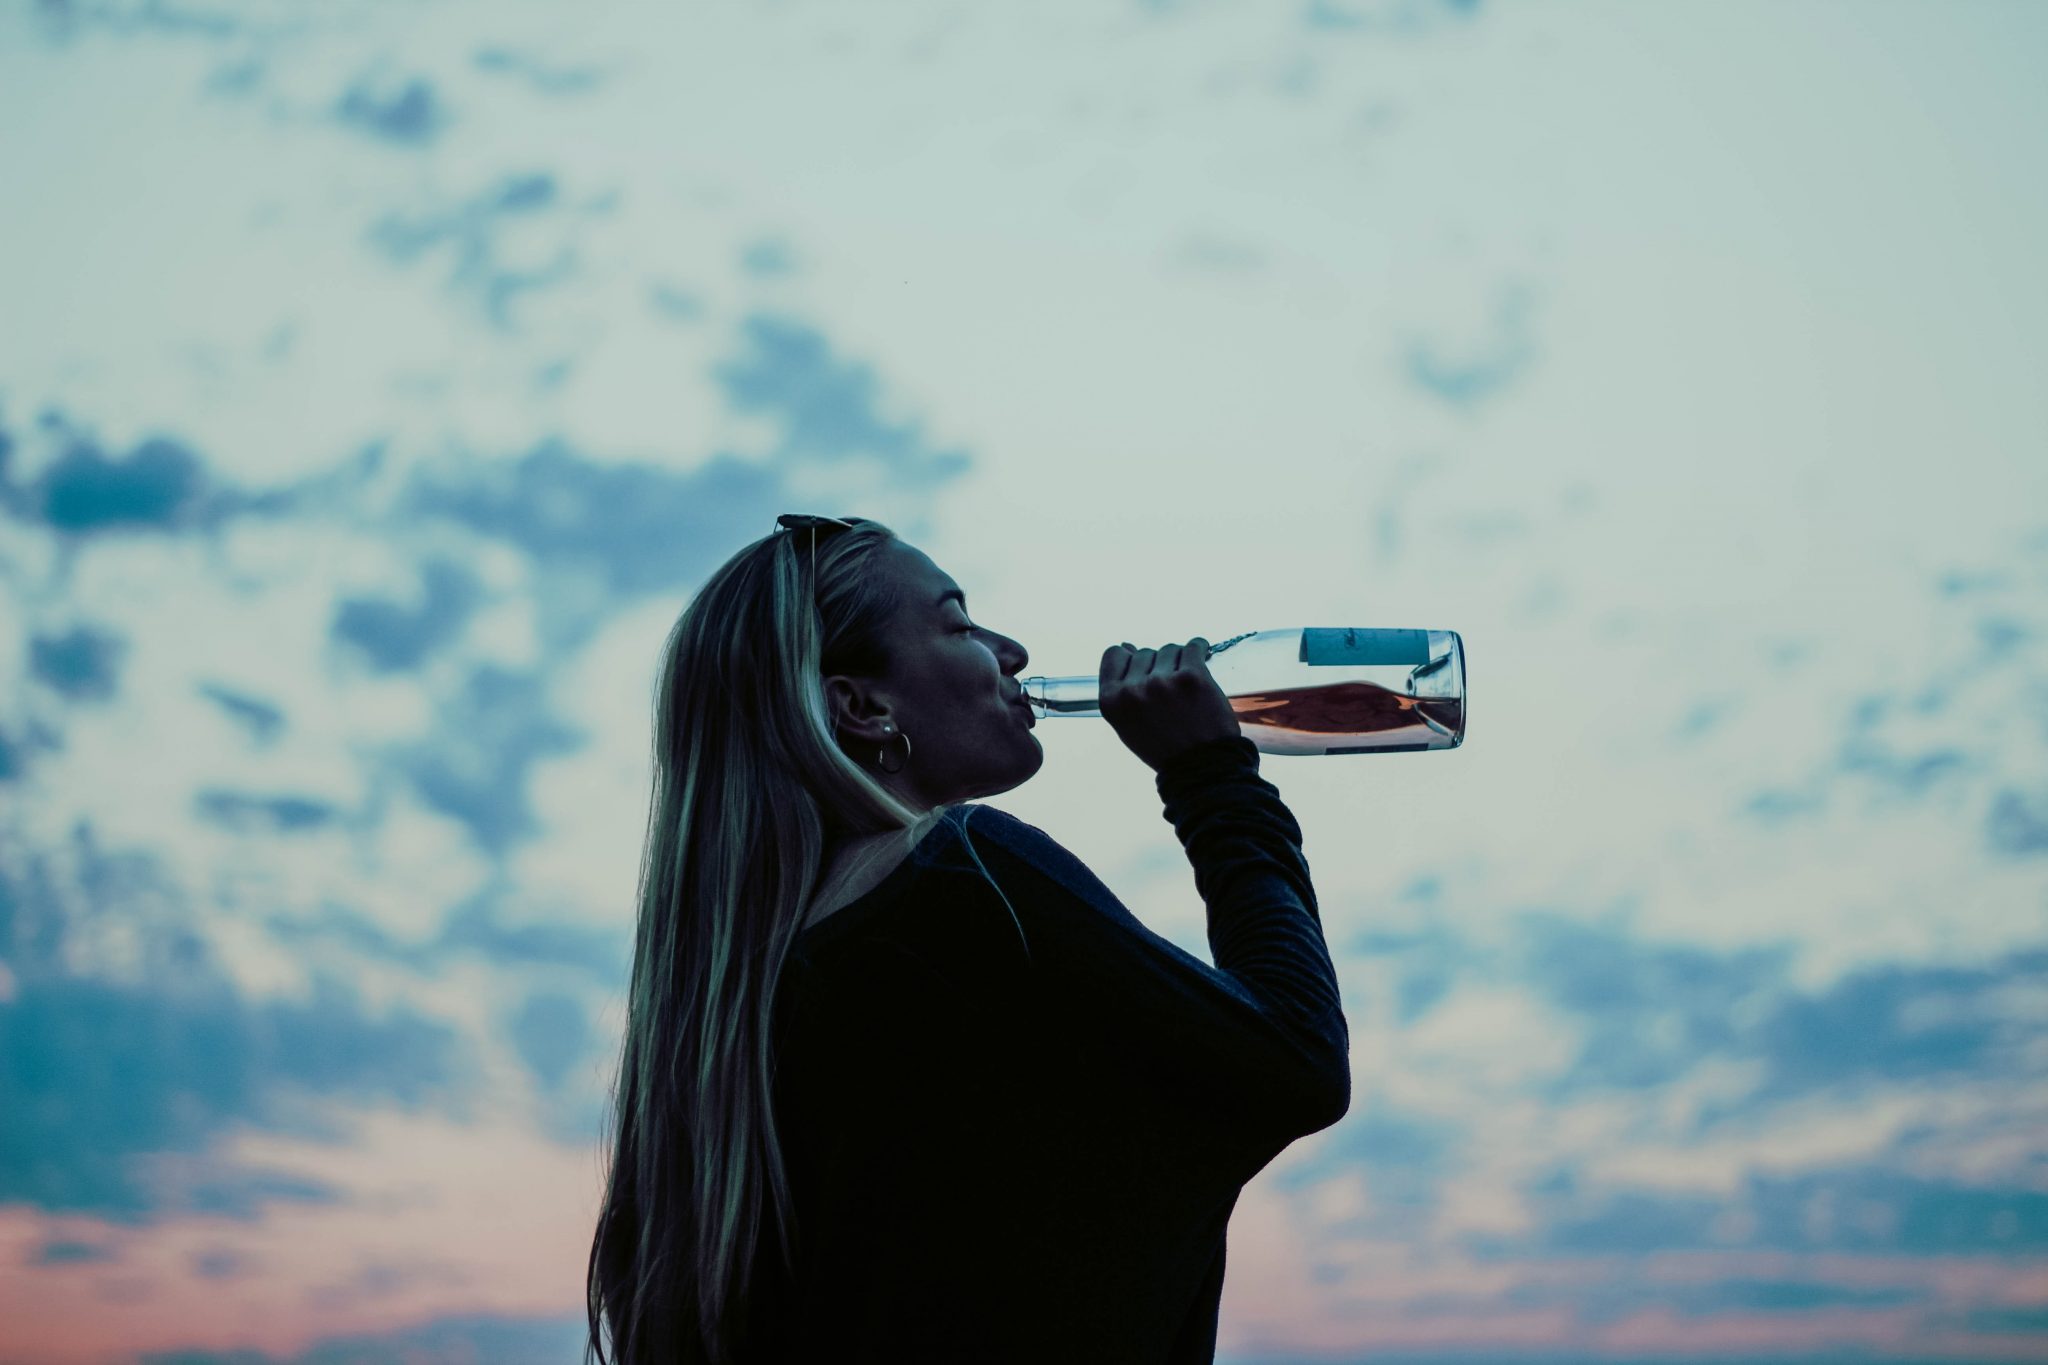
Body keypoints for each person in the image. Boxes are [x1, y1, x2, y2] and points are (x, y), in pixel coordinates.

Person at [585, 515, 1350, 1365]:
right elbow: (1293, 1061)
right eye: (958, 622)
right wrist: (1212, 775)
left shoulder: (714, 1029)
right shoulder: (966, 884)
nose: (1011, 649)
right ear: (862, 706)